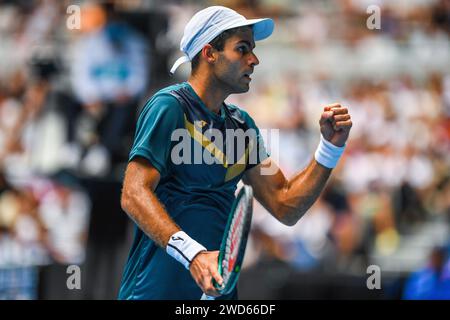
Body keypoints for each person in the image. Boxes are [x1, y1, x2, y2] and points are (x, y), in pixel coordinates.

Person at [118, 6, 352, 300]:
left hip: (217, 295)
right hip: (154, 291)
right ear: (209, 53)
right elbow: (133, 193)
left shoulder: (243, 128)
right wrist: (193, 255)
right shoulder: (169, 107)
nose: (254, 60)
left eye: (252, 50)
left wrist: (329, 147)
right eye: (242, 49)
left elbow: (285, 204)